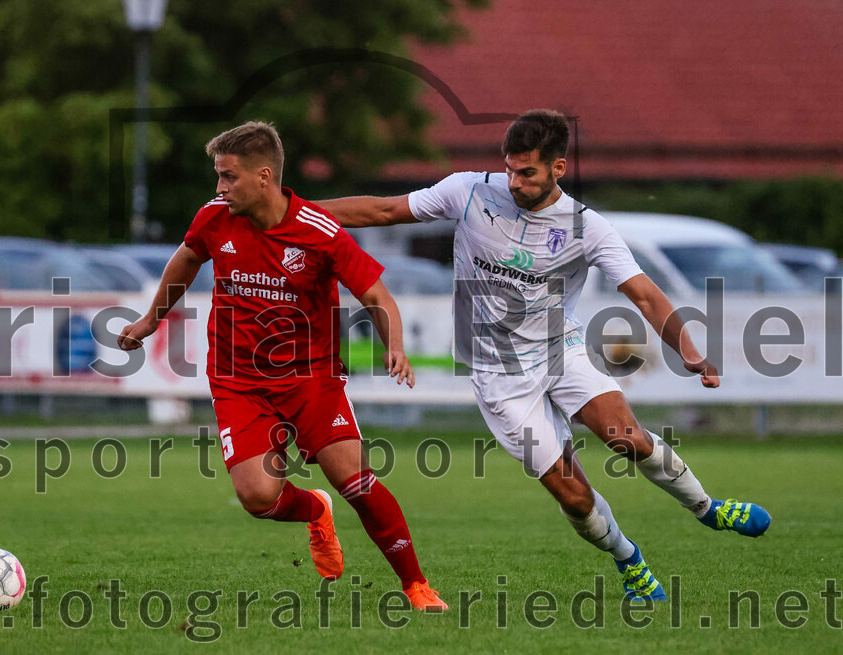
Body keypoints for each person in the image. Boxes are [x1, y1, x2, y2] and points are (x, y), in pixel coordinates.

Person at [317, 109, 770, 600]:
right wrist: (293, 210)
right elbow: (384, 211)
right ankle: (629, 560)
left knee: (627, 438)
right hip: (498, 375)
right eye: (510, 169)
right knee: (573, 495)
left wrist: (690, 351)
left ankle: (707, 508)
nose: (514, 182)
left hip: (559, 350)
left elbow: (644, 294)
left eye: (527, 172)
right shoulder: (468, 192)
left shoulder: (586, 227)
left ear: (558, 168)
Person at [118, 121, 447, 611]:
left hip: (311, 377)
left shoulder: (319, 231)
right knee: (258, 497)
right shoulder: (214, 218)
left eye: (228, 176)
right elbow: (187, 258)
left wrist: (394, 345)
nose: (219, 187)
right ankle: (315, 510)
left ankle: (416, 586)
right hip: (238, 379)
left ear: (264, 177)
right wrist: (150, 320)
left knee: (354, 481)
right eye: (218, 175)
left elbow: (376, 295)